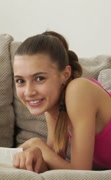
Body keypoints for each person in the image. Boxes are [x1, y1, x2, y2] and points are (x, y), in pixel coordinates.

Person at [12, 31, 111, 173]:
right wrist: (35, 156)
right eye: (20, 81)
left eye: (39, 78)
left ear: (65, 74)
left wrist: (37, 144)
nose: (29, 92)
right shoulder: (54, 107)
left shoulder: (78, 90)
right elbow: (55, 166)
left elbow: (80, 174)